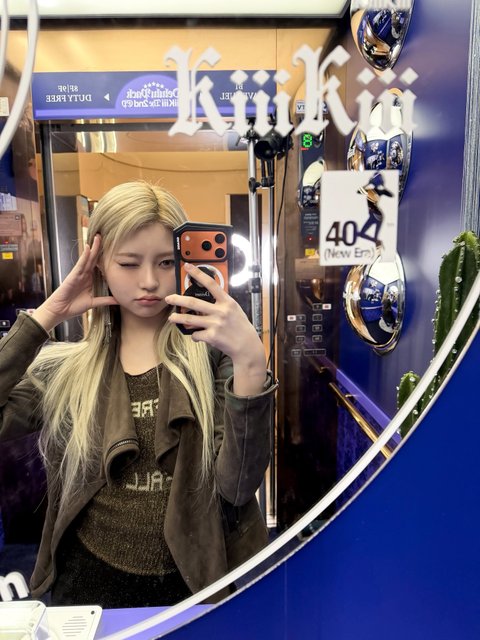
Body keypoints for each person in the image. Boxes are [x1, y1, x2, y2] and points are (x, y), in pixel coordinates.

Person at [0, 181, 277, 609]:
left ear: (184, 261)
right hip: (87, 588)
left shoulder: (213, 362)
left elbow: (236, 488)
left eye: (166, 262)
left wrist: (251, 365)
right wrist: (44, 318)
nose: (149, 281)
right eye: (128, 263)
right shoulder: (67, 370)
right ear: (98, 265)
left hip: (193, 588)